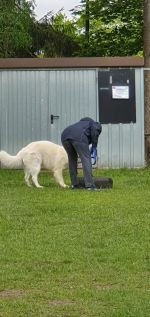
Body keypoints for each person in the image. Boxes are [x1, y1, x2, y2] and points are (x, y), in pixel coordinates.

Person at [61, 117, 102, 191]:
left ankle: (74, 184)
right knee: (86, 158)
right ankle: (90, 185)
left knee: (72, 159)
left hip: (64, 135)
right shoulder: (95, 124)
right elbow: (95, 132)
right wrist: (94, 145)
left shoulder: (81, 125)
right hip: (78, 136)